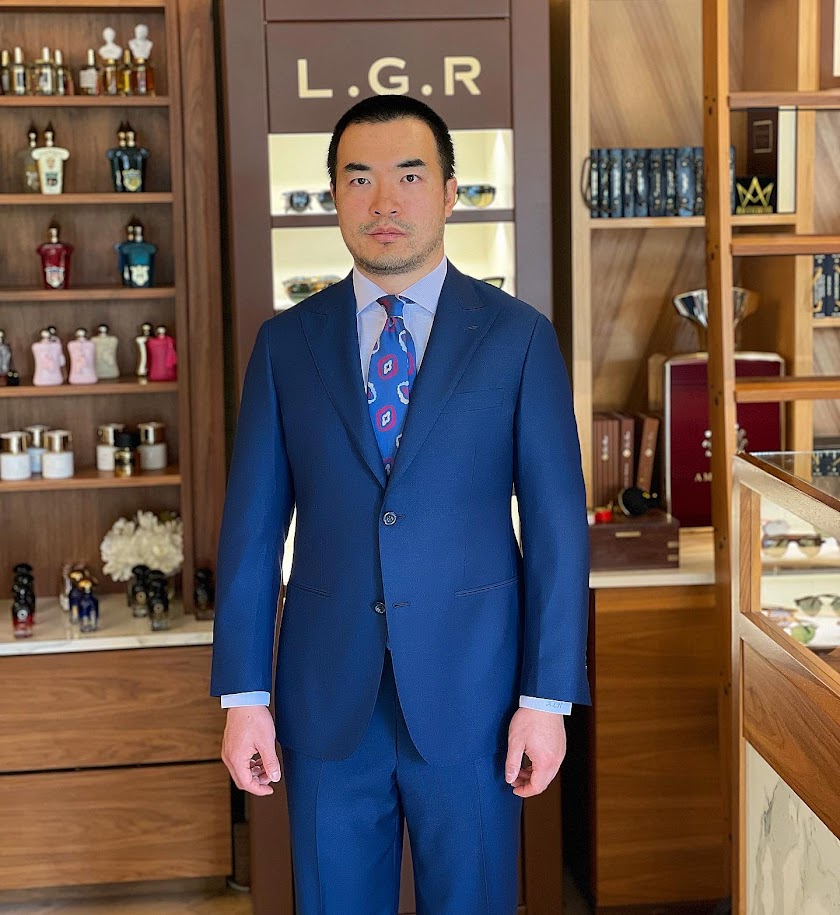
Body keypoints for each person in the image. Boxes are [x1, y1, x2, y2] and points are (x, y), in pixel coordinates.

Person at [211, 95, 590, 915]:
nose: (384, 201)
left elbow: (558, 530)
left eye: (410, 177)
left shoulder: (520, 338)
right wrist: (243, 696)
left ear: (450, 192)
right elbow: (251, 534)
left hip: (478, 698)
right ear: (334, 197)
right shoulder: (285, 345)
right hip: (325, 700)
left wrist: (546, 697)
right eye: (360, 179)